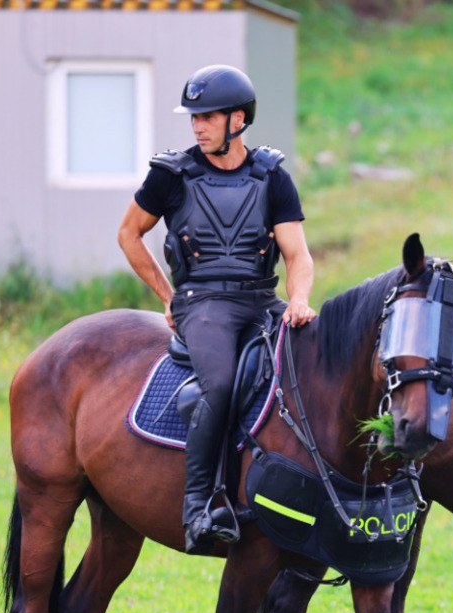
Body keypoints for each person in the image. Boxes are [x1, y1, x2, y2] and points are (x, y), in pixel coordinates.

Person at [118, 64, 316, 555]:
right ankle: (199, 507)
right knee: (222, 384)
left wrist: (299, 300)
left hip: (260, 300)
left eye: (206, 116)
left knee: (314, 368)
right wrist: (167, 297)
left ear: (238, 120)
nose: (197, 126)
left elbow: (297, 254)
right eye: (193, 117)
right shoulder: (170, 174)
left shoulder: (271, 175)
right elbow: (129, 234)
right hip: (202, 303)